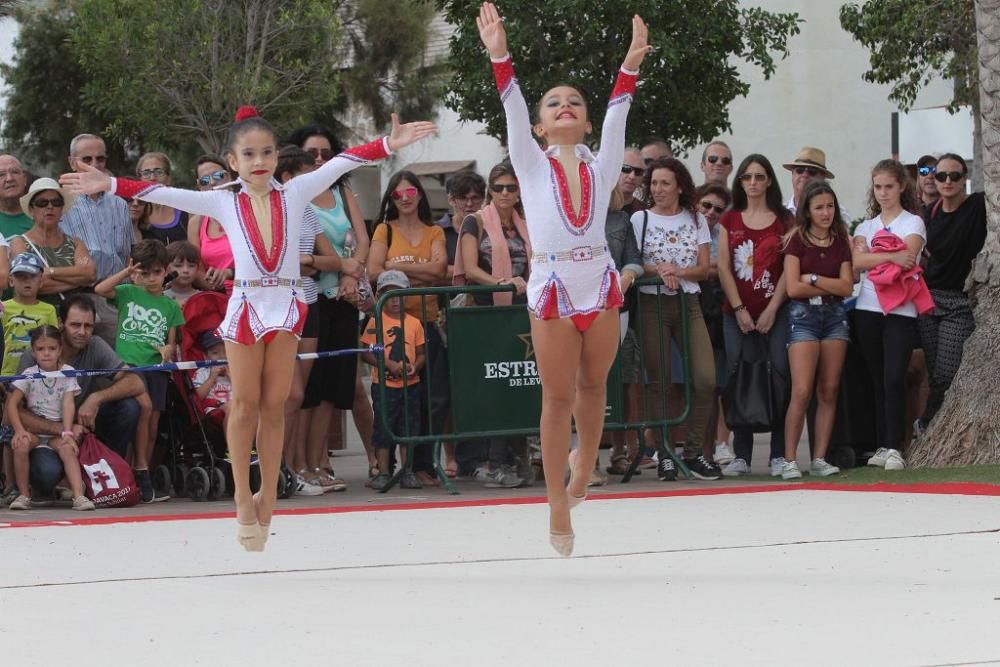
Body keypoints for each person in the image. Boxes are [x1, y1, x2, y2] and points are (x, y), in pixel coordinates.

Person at [61, 106, 436, 551]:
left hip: (287, 303)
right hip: (246, 304)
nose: (260, 160)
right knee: (244, 403)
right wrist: (113, 184)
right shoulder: (221, 198)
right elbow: (167, 191)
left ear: (277, 156)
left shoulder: (295, 193)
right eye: (249, 153)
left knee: (275, 405)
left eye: (268, 152)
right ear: (232, 160)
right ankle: (242, 495)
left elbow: (344, 161)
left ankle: (270, 493)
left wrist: (389, 144)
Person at [477, 2, 650, 555]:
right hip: (552, 284)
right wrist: (500, 55)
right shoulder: (528, 162)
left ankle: (582, 473)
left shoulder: (603, 164)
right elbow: (509, 104)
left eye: (575, 101)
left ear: (588, 120)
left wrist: (630, 64)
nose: (566, 106)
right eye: (554, 103)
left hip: (597, 281)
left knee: (595, 389)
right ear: (539, 125)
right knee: (556, 398)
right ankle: (556, 502)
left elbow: (621, 108)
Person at [285, 125, 375, 489]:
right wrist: (335, 265)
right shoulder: (288, 205)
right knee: (300, 392)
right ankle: (293, 466)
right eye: (311, 156)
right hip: (301, 300)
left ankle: (312, 465)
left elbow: (335, 252)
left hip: (335, 300)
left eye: (324, 154)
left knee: (330, 389)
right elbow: (300, 261)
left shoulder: (335, 194)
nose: (318, 162)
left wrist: (347, 272)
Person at [631, 158, 718, 481]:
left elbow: (704, 268)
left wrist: (676, 271)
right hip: (652, 303)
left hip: (688, 301)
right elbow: (633, 261)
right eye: (654, 183)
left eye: (665, 183)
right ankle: (665, 453)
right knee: (660, 382)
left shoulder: (695, 218)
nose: (658, 189)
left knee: (706, 378)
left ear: (680, 185)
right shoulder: (640, 219)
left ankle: (694, 451)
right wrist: (660, 270)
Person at [275, 145, 354, 495]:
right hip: (279, 308)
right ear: (288, 178)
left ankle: (298, 468)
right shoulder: (274, 211)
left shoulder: (306, 214)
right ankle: (283, 467)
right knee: (288, 396)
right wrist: (306, 261)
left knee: (302, 394)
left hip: (309, 303)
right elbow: (282, 262)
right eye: (307, 176)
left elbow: (336, 260)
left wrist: (309, 259)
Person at [368, 171, 448, 487]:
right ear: (391, 198)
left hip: (425, 323)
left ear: (420, 194)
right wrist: (420, 276)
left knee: (432, 398)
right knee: (393, 399)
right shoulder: (384, 230)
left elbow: (441, 269)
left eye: (410, 191)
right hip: (391, 327)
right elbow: (374, 271)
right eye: (398, 193)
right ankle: (389, 467)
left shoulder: (434, 231)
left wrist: (395, 270)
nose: (405, 197)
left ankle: (423, 464)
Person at [455, 160, 531, 488]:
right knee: (498, 389)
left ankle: (519, 458)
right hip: (486, 314)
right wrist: (502, 282)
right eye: (498, 187)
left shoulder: (526, 224)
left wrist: (521, 284)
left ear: (519, 191)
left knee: (522, 385)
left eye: (510, 187)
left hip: (523, 311)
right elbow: (470, 269)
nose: (504, 193)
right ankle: (498, 463)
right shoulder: (475, 222)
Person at [717, 154, 792, 477]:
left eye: (759, 177)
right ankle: (742, 455)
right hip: (737, 315)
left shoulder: (784, 220)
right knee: (739, 378)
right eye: (747, 177)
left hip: (776, 312)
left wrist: (772, 309)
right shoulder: (729, 220)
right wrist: (739, 310)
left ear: (769, 181)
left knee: (779, 376)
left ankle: (778, 454)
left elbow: (790, 269)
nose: (753, 183)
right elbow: (723, 266)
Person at [852, 159, 930, 471]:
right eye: (878, 187)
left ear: (901, 187)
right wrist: (889, 256)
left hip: (901, 310)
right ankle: (883, 444)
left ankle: (896, 446)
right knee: (877, 378)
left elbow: (908, 260)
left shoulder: (913, 222)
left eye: (888, 186)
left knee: (895, 376)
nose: (883, 193)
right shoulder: (864, 226)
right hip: (867, 308)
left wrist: (876, 258)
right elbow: (857, 262)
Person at [95, 239, 184, 502]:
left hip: (155, 368)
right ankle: (139, 472)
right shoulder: (128, 292)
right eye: (144, 273)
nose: (151, 278)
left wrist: (169, 352)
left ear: (166, 270)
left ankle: (138, 470)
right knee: (142, 410)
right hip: (129, 365)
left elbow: (172, 342)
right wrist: (127, 272)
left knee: (152, 424)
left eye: (157, 272)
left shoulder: (171, 306)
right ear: (136, 272)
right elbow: (100, 288)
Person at [780, 180, 854, 479]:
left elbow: (847, 285)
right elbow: (793, 287)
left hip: (835, 315)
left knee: (829, 389)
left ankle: (820, 457)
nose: (826, 213)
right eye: (819, 207)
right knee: (802, 390)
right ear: (807, 211)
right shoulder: (796, 239)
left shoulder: (840, 239)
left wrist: (813, 278)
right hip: (804, 316)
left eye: (830, 206)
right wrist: (820, 282)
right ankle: (789, 459)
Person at [15, 295, 144, 462]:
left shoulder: (95, 344)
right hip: (44, 433)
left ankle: (111, 468)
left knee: (129, 407)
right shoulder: (36, 353)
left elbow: (136, 382)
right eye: (75, 325)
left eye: (88, 326)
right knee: (46, 473)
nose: (82, 332)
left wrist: (96, 398)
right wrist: (64, 430)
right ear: (61, 323)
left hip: (82, 424)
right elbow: (15, 411)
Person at [916, 153, 987, 434]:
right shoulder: (927, 215)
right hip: (928, 301)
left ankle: (928, 425)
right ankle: (929, 429)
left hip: (959, 304)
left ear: (964, 178)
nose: (947, 181)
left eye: (954, 176)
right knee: (934, 374)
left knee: (947, 372)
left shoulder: (978, 205)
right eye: (940, 175)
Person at [6, 325, 94, 511]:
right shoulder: (29, 374)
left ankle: (79, 496)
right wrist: (20, 431)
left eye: (52, 348)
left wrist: (68, 432)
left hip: (57, 432)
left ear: (60, 349)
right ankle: (24, 495)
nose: (46, 353)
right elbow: (11, 404)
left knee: (68, 449)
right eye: (40, 349)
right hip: (34, 432)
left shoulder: (67, 372)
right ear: (33, 351)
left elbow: (68, 404)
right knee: (20, 445)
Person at [361, 270, 426, 491]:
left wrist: (414, 367)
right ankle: (383, 471)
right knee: (383, 428)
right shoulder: (375, 321)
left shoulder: (415, 323)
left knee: (408, 429)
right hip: (384, 386)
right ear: (381, 296)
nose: (396, 300)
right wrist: (388, 364)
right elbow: (368, 351)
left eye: (400, 295)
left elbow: (421, 353)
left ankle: (407, 471)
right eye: (390, 295)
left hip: (411, 385)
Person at [602, 184, 644, 480]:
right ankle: (584, 457)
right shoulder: (566, 220)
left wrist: (626, 277)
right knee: (585, 382)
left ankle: (623, 451)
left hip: (617, 308)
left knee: (619, 379)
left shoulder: (620, 221)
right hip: (577, 308)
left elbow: (633, 259)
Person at [695, 183, 733, 466]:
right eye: (706, 205)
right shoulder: (687, 227)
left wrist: (700, 269)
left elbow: (724, 268)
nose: (711, 212)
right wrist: (708, 269)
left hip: (716, 314)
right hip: (689, 309)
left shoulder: (723, 234)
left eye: (718, 209)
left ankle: (710, 451)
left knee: (714, 385)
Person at [9, 177, 93, 305]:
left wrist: (50, 272)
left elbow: (90, 273)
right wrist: (79, 280)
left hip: (72, 321)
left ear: (62, 209)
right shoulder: (19, 243)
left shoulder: (76, 243)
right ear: (31, 209)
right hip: (37, 320)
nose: (50, 207)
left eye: (56, 202)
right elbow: (30, 285)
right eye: (42, 203)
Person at [2, 253, 59, 378]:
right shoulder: (2, 307)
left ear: (41, 281)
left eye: (32, 276)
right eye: (20, 276)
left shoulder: (49, 310)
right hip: (5, 374)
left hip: (38, 376)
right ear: (11, 280)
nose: (27, 281)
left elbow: (54, 343)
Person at [186, 155, 235, 293]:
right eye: (205, 180)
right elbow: (196, 269)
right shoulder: (196, 222)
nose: (212, 182)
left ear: (229, 177)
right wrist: (217, 290)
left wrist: (231, 273)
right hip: (217, 298)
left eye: (218, 175)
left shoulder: (250, 211)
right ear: (199, 186)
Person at [782, 147, 851, 222]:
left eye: (812, 172)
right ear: (793, 174)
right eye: (800, 170)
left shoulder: (836, 213)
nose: (804, 175)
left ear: (822, 177)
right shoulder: (779, 212)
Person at [135, 153, 188, 245]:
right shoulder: (134, 211)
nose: (152, 178)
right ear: (139, 180)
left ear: (169, 178)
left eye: (159, 172)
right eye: (146, 173)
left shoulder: (186, 210)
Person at [192, 331, 232, 430]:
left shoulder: (236, 371)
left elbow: (246, 393)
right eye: (215, 352)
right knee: (232, 408)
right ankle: (232, 445)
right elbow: (197, 398)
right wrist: (211, 378)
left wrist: (230, 375)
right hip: (214, 409)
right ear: (206, 356)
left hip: (239, 406)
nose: (222, 356)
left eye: (226, 351)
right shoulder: (202, 372)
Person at [0, 155, 33, 239]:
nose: (9, 179)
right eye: (1, 175)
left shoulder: (44, 216)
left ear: (25, 179)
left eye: (15, 172)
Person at [164, 240, 201, 309]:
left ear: (197, 269)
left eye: (191, 265)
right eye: (178, 266)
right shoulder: (159, 298)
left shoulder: (204, 297)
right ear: (166, 269)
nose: (185, 270)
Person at [619, 147, 647, 215]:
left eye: (638, 171)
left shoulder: (646, 213)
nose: (632, 176)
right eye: (626, 168)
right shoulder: (596, 205)